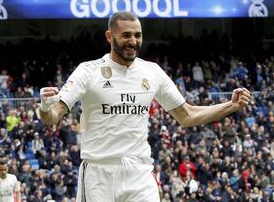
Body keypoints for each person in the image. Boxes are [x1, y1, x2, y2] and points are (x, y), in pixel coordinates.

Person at [39, 11, 253, 202]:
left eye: (137, 35)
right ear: (109, 37)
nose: (133, 41)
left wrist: (230, 105)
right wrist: (45, 108)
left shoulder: (152, 72)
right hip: (99, 174)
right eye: (126, 36)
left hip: (139, 172)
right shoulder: (88, 71)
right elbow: (53, 115)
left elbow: (186, 115)